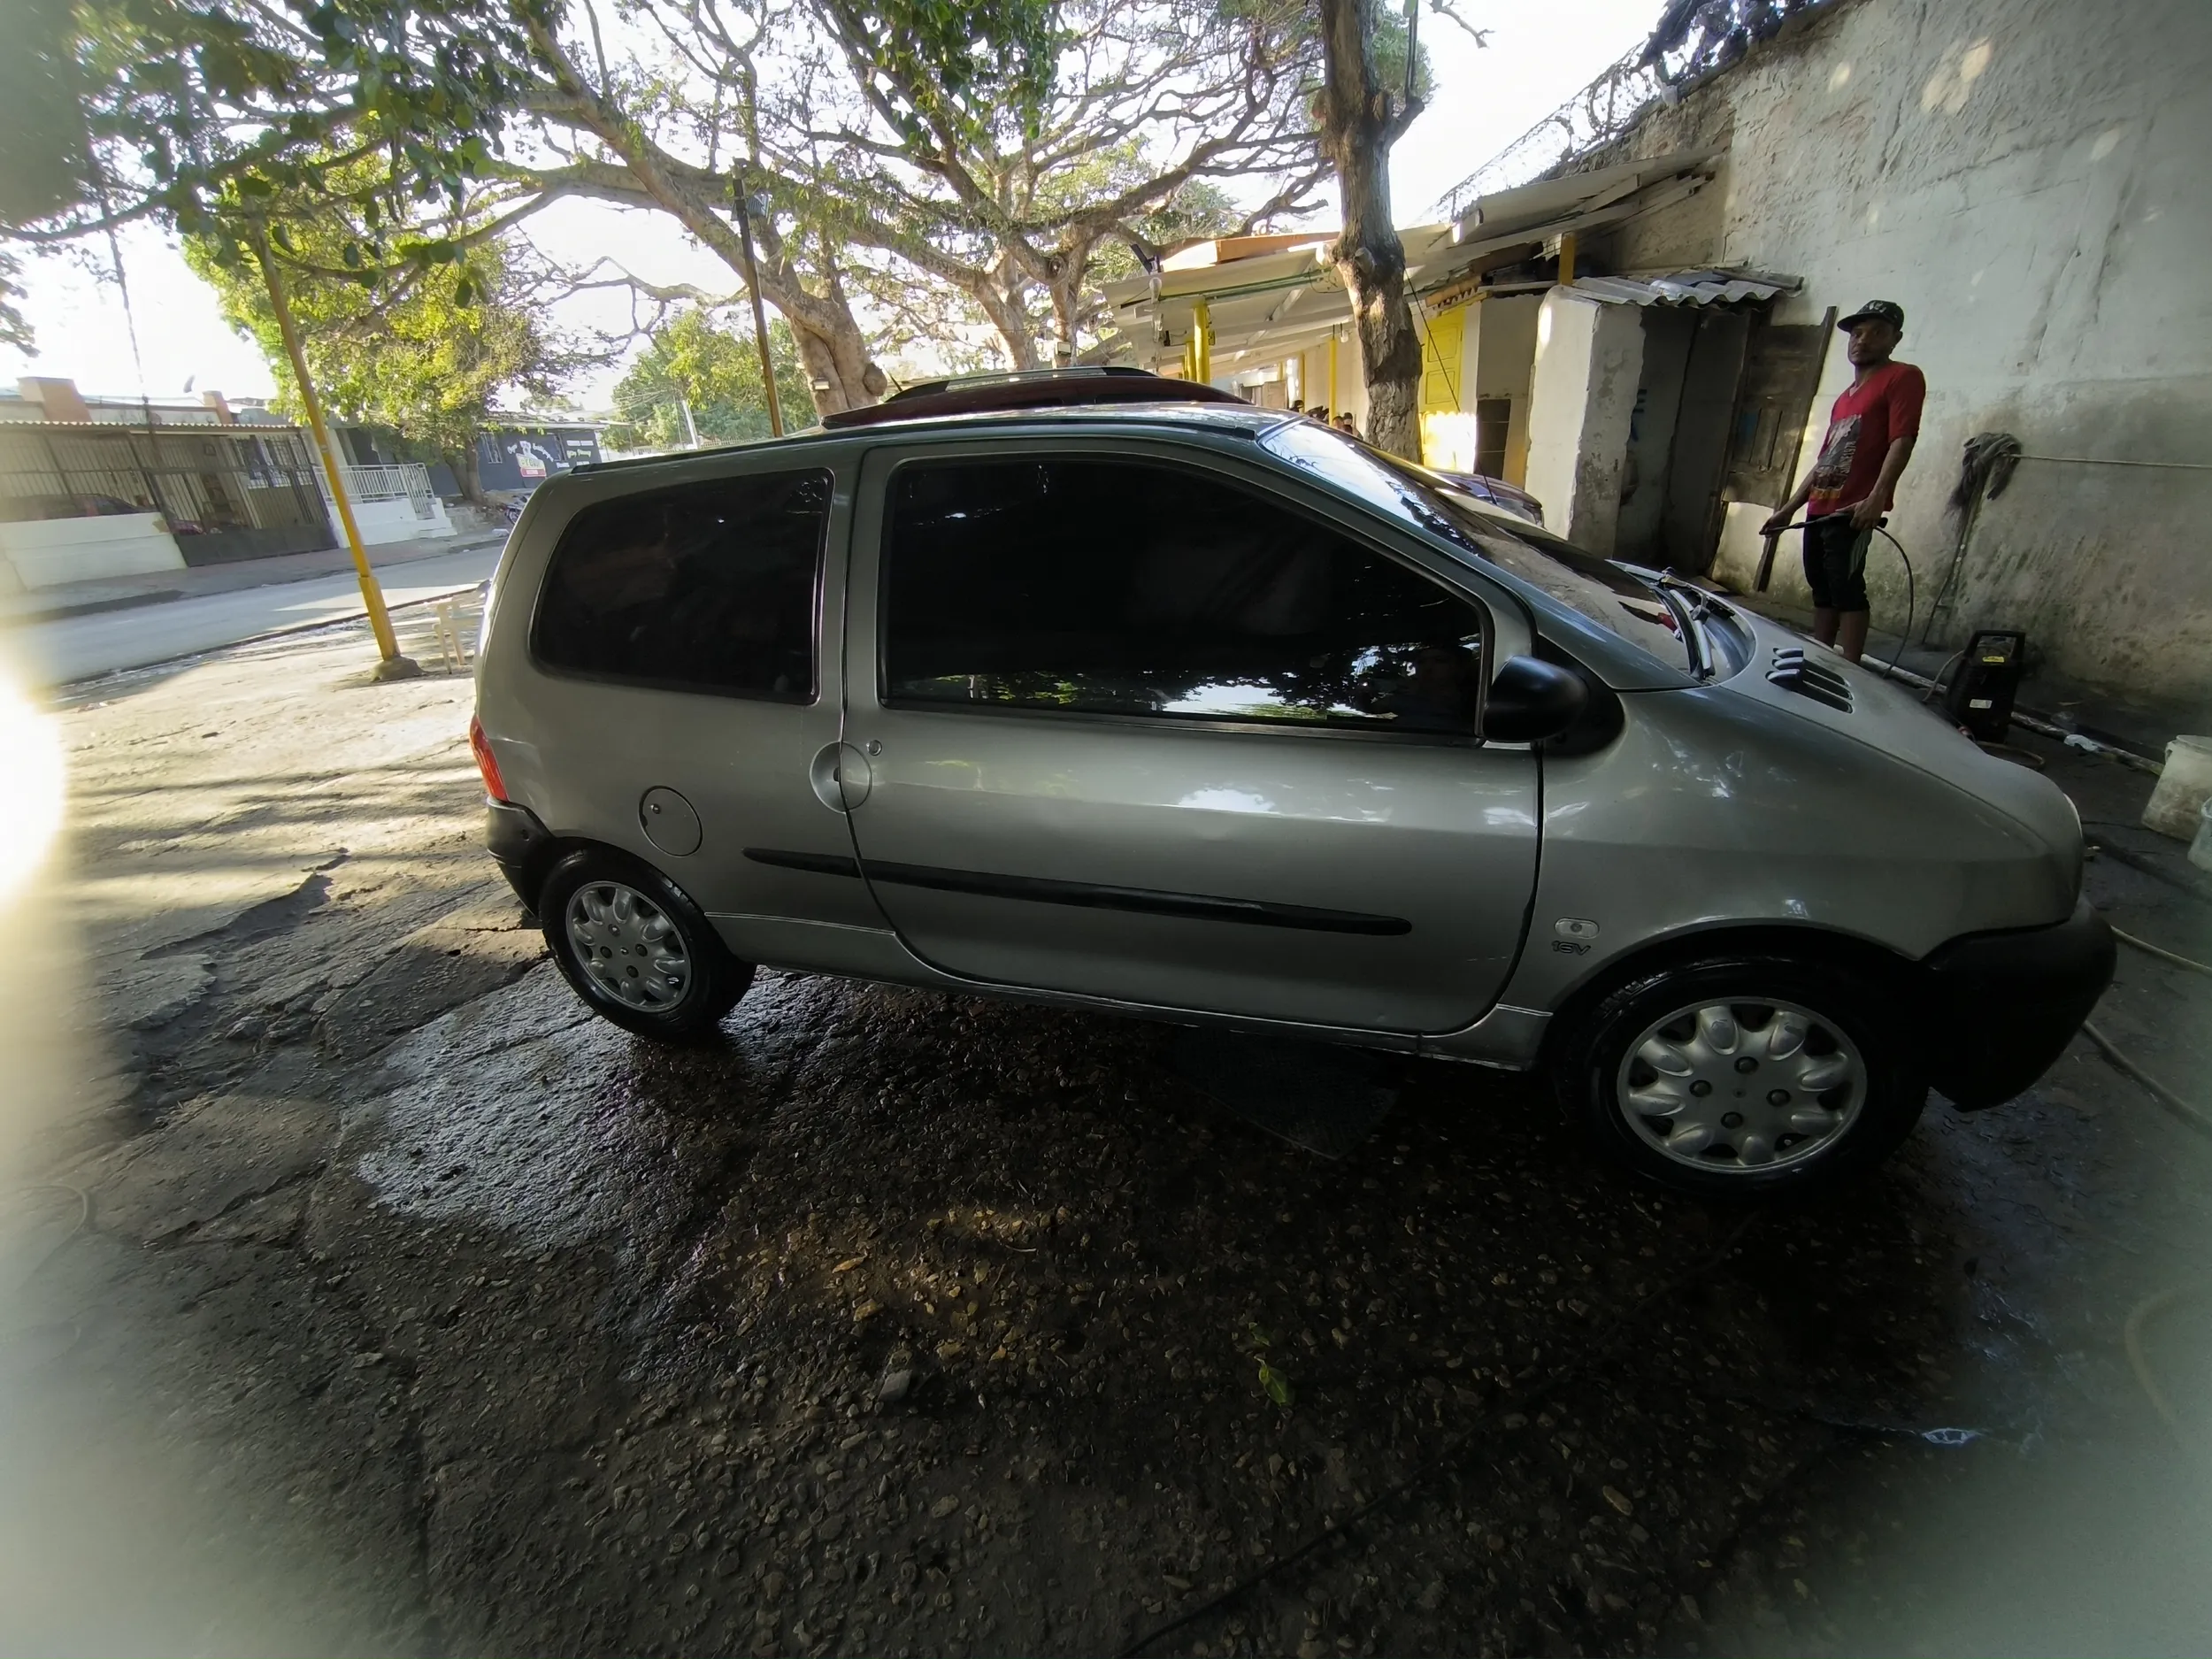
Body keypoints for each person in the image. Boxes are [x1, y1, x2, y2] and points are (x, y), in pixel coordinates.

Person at [1762, 300, 1924, 664]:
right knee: (1822, 590)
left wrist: (1877, 497)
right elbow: (1825, 461)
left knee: (1847, 589)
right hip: (1821, 505)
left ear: (1895, 339)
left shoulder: (1902, 377)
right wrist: (1788, 509)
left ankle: (1852, 669)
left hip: (1853, 509)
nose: (1862, 340)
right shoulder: (1844, 399)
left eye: (1877, 333)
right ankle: (1820, 658)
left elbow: (1903, 439)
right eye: (1857, 333)